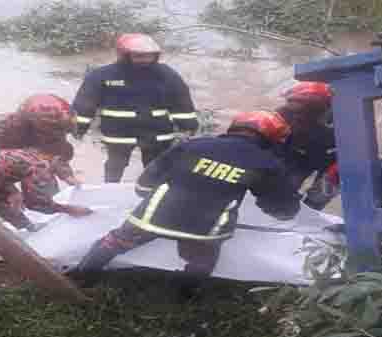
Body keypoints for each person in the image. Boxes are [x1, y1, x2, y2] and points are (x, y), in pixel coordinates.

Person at [71, 110, 301, 282]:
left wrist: (144, 194)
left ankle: (80, 279)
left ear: (235, 126)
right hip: (205, 230)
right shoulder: (267, 164)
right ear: (270, 138)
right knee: (201, 264)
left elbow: (146, 180)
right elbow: (282, 208)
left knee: (113, 243)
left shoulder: (193, 145)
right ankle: (185, 297)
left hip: (153, 216)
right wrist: (283, 212)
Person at [72, 33, 199, 183]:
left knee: (156, 170)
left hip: (157, 134)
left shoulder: (166, 75)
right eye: (139, 56)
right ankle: (109, 192)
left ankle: (149, 197)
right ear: (123, 55)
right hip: (119, 134)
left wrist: (188, 127)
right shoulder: (102, 75)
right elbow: (85, 105)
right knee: (115, 167)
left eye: (149, 56)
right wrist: (78, 129)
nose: (145, 60)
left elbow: (181, 103)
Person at [0, 143, 93, 232]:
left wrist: (67, 176)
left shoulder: (33, 155)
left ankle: (25, 226)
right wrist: (68, 209)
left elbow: (1, 171)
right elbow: (34, 203)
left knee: (9, 201)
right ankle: (25, 228)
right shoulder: (33, 167)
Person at [273, 81, 337, 210]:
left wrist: (312, 207)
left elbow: (337, 172)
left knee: (329, 183)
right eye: (292, 106)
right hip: (296, 154)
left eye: (299, 109)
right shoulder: (281, 117)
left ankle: (308, 210)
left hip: (325, 156)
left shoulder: (338, 128)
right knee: (282, 184)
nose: (296, 114)